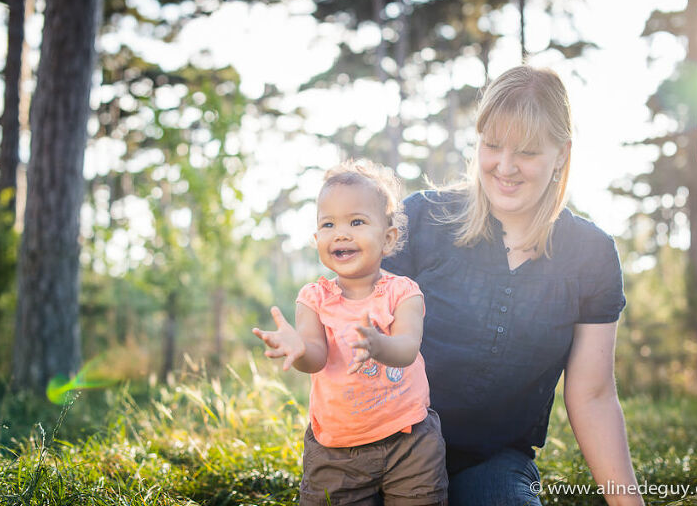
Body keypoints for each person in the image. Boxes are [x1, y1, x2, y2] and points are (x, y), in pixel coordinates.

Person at [383, 65, 644, 506]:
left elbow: (594, 396)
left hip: (492, 462)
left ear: (561, 154)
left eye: (526, 151)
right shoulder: (420, 220)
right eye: (492, 145)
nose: (504, 167)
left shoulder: (592, 254)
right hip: (391, 448)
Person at [253, 160, 448, 506]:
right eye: (328, 224)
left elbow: (407, 348)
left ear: (388, 238)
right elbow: (316, 358)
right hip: (336, 451)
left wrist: (378, 344)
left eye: (356, 222)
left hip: (409, 441)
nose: (340, 233)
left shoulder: (403, 292)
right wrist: (299, 349)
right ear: (317, 239)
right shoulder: (314, 299)